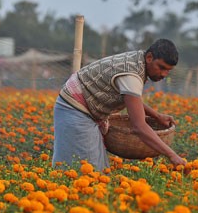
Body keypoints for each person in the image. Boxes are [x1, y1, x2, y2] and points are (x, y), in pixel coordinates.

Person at [52, 38, 187, 171]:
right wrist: (172, 155)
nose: (164, 74)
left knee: (97, 170)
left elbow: (132, 100)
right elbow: (139, 126)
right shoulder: (131, 74)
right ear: (150, 57)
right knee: (85, 171)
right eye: (161, 67)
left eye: (168, 70)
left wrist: (157, 116)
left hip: (85, 108)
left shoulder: (139, 59)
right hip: (74, 108)